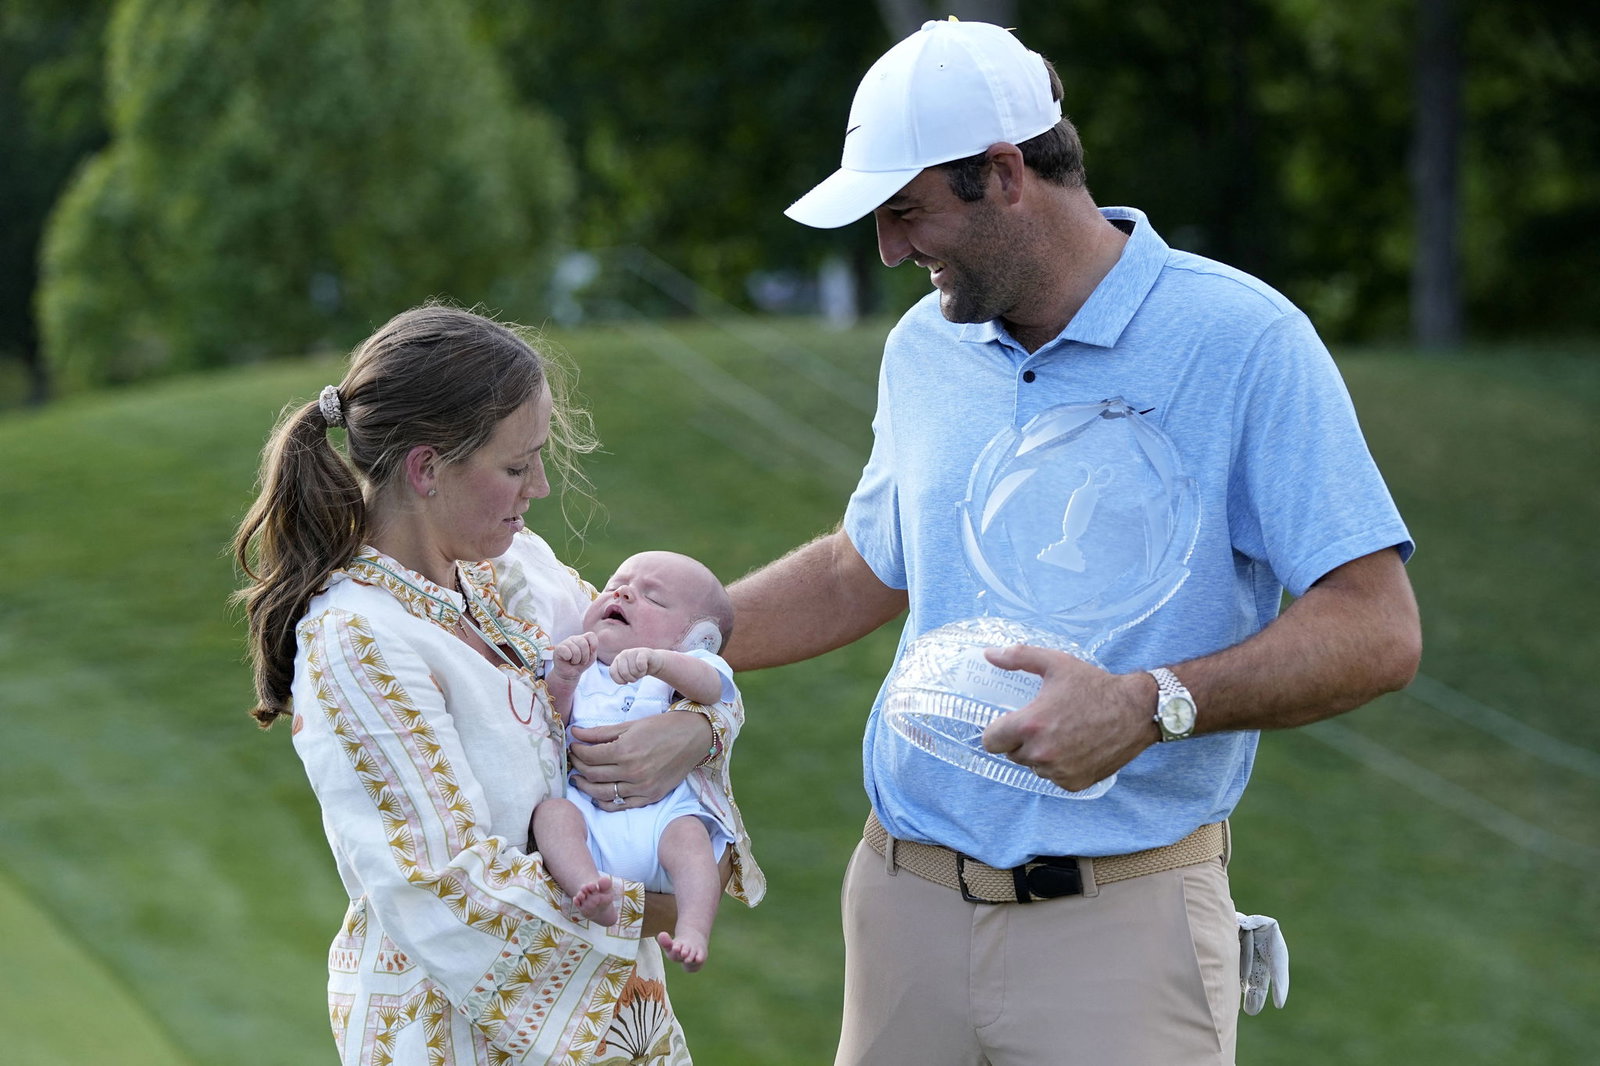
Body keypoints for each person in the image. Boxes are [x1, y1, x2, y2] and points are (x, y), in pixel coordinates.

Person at [725, 18, 1421, 1066]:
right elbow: (863, 566)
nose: (889, 249)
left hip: (1124, 928)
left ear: (1002, 175)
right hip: (902, 902)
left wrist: (1151, 703)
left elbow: (1377, 627)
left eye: (906, 212)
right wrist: (676, 636)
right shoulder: (925, 346)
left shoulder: (1245, 341)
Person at [233, 304, 761, 1066]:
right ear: (427, 469)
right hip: (458, 1035)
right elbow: (442, 889)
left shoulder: (510, 571)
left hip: (623, 1022)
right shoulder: (357, 639)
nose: (539, 486)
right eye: (516, 466)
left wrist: (701, 731)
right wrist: (660, 909)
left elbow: (671, 663)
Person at [532, 550, 751, 974]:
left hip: (661, 818)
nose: (625, 593)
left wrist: (662, 662)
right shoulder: (585, 663)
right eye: (616, 584)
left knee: (691, 840)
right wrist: (562, 677)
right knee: (552, 816)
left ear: (696, 639)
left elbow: (713, 690)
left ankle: (693, 928)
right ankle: (588, 889)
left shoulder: (687, 665)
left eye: (654, 597)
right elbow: (553, 719)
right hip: (589, 817)